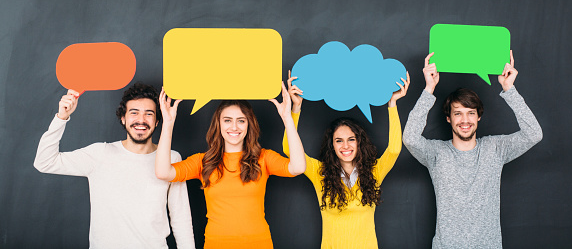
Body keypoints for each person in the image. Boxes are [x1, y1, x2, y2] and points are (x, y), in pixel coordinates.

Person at [402, 51, 543, 249]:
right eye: (458, 113)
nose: (465, 120)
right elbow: (409, 138)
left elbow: (533, 134)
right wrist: (429, 88)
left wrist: (509, 89)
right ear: (449, 118)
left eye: (471, 113)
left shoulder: (495, 149)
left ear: (478, 117)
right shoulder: (436, 153)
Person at [34, 82, 195, 249]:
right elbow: (44, 162)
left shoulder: (172, 158)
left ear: (156, 122)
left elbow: (180, 217)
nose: (141, 120)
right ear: (123, 118)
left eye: (149, 114)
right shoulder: (100, 154)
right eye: (134, 113)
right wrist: (62, 117)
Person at [155, 82, 306, 249]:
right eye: (227, 120)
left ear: (249, 125)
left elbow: (298, 167)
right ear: (218, 124)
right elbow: (163, 172)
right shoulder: (203, 162)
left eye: (241, 121)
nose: (234, 127)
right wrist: (168, 123)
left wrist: (287, 118)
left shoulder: (263, 158)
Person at [283, 71, 410, 248]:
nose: (345, 146)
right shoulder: (320, 173)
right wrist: (295, 108)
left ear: (359, 143)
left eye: (351, 139)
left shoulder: (374, 171)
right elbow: (290, 150)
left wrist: (392, 104)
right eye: (339, 141)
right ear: (332, 145)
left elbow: (395, 150)